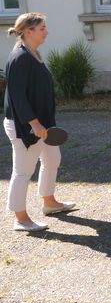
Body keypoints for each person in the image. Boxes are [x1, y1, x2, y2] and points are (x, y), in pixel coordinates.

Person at [4, 13, 74, 231]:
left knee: (52, 159)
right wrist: (34, 124)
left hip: (43, 124)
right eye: (42, 28)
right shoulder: (20, 58)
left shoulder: (34, 54)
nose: (46, 31)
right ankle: (21, 218)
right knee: (23, 171)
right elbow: (17, 96)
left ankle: (49, 203)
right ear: (28, 31)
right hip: (25, 126)